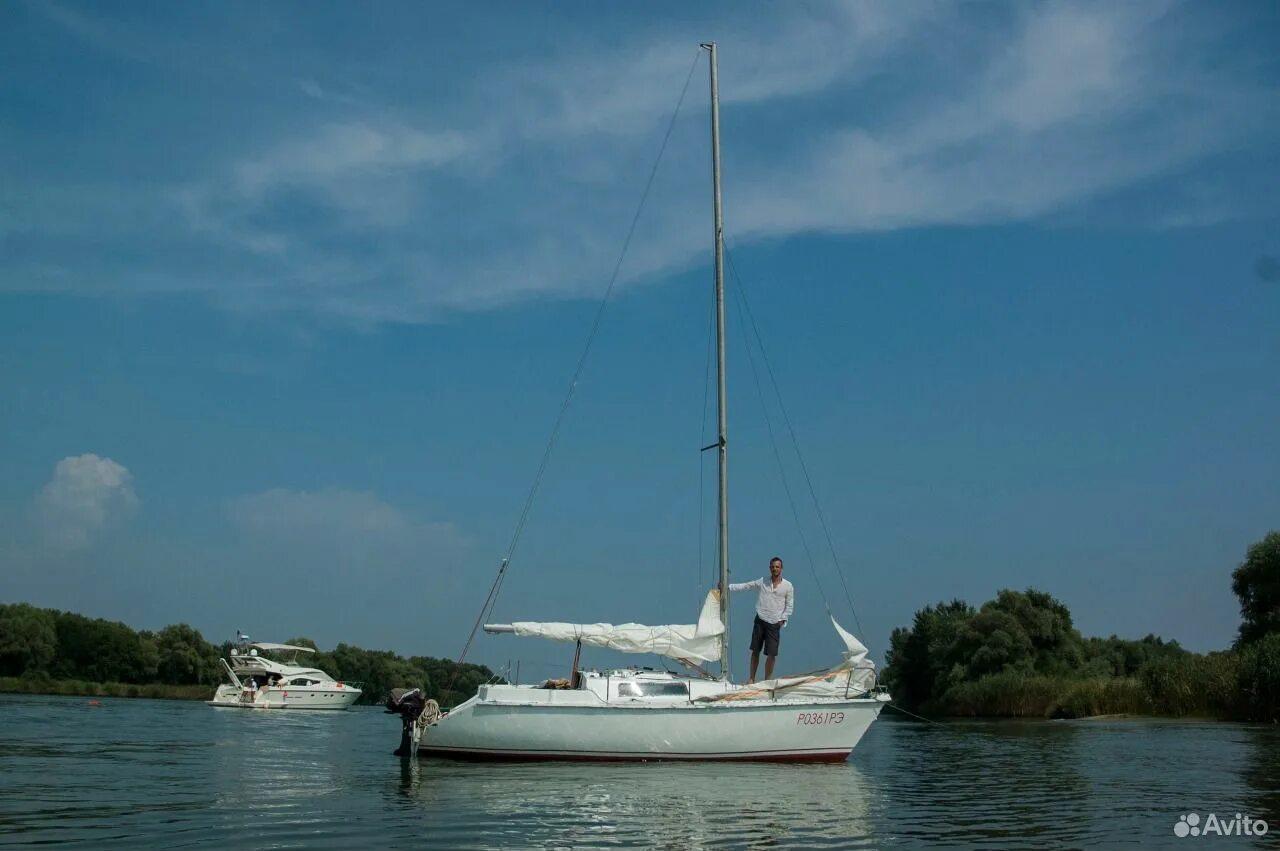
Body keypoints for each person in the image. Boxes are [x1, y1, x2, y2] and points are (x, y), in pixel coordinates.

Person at [728, 556, 794, 683]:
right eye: (773, 567)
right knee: (755, 650)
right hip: (760, 619)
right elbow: (747, 585)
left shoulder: (788, 586)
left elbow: (789, 605)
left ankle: (767, 680)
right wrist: (728, 587)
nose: (775, 569)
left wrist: (783, 620)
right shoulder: (763, 581)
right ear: (770, 568)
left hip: (774, 623)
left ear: (781, 568)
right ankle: (751, 678)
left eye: (777, 567)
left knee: (772, 654)